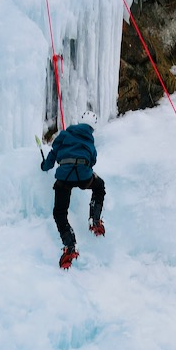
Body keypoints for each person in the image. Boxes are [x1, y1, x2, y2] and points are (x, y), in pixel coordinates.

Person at [41, 110, 106, 269]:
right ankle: (95, 219)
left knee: (60, 212)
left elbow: (53, 153)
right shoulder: (90, 141)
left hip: (64, 178)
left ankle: (70, 245)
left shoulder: (64, 134)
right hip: (84, 176)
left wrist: (45, 166)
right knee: (99, 187)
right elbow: (93, 160)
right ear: (93, 128)